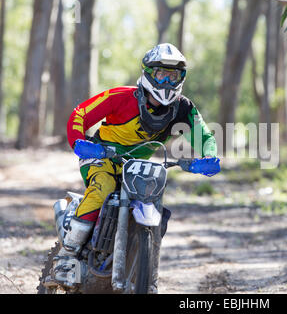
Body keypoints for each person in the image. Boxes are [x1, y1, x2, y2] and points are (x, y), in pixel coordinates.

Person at [53, 43, 218, 288]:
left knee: (155, 205)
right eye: (162, 74)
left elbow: (204, 136)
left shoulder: (183, 108)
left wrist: (210, 157)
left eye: (174, 76)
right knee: (103, 188)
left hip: (138, 166)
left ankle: (147, 274)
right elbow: (80, 114)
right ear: (149, 73)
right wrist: (80, 142)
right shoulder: (121, 97)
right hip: (102, 157)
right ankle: (67, 255)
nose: (167, 82)